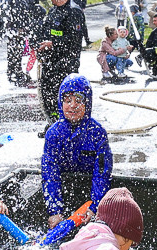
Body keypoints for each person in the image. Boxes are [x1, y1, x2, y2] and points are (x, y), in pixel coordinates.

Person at [41, 74, 113, 227]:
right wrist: (54, 210)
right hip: (65, 191)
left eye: (78, 101)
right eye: (67, 101)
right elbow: (49, 172)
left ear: (87, 104)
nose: (72, 105)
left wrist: (95, 206)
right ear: (61, 103)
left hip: (88, 194)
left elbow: (102, 173)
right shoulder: (53, 134)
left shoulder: (97, 132)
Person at [36, 0, 85, 131]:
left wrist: (53, 43)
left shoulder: (74, 11)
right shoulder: (53, 11)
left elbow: (75, 39)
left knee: (65, 95)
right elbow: (45, 32)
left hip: (66, 62)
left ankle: (67, 126)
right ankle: (53, 123)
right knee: (47, 93)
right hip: (50, 61)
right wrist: (40, 45)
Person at [5, 0, 44, 88]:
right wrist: (24, 28)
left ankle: (13, 73)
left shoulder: (15, 0)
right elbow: (21, 20)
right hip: (17, 33)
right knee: (16, 54)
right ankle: (17, 75)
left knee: (14, 54)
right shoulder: (21, 2)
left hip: (13, 33)